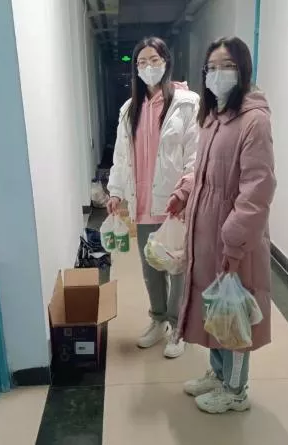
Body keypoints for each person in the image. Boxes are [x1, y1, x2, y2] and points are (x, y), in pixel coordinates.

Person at [167, 37, 276, 412]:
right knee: (214, 306)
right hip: (206, 233)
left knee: (235, 312)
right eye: (211, 67)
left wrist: (233, 242)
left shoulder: (254, 121)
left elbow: (257, 191)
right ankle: (218, 373)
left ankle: (236, 390)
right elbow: (201, 170)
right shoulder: (213, 117)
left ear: (242, 69)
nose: (217, 74)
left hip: (234, 239)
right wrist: (183, 192)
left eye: (226, 66)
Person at [107, 37, 199, 359]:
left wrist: (185, 192)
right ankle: (158, 319)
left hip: (174, 204)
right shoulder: (129, 109)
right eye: (142, 62)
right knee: (151, 269)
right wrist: (116, 191)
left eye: (154, 60)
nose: (148, 67)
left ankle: (178, 326)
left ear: (166, 61)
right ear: (135, 68)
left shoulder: (187, 104)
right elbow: (121, 156)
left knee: (176, 266)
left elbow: (195, 154)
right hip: (143, 202)